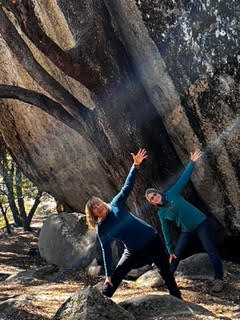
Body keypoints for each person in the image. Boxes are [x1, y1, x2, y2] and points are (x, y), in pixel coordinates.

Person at [85, 148, 181, 299]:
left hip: (151, 240)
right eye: (94, 208)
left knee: (165, 270)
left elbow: (126, 187)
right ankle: (102, 300)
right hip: (132, 250)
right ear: (93, 214)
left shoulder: (115, 204)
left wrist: (134, 166)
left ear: (101, 203)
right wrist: (108, 274)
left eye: (98, 204)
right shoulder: (102, 228)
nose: (98, 207)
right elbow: (106, 251)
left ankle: (176, 297)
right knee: (117, 273)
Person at [145, 149, 224, 293]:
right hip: (186, 230)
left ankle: (219, 279)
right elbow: (165, 231)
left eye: (154, 194)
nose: (154, 198)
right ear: (152, 203)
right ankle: (167, 278)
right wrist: (169, 251)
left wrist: (192, 162)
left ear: (158, 193)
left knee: (211, 250)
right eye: (151, 199)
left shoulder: (171, 193)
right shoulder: (161, 213)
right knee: (175, 254)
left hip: (200, 223)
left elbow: (183, 178)